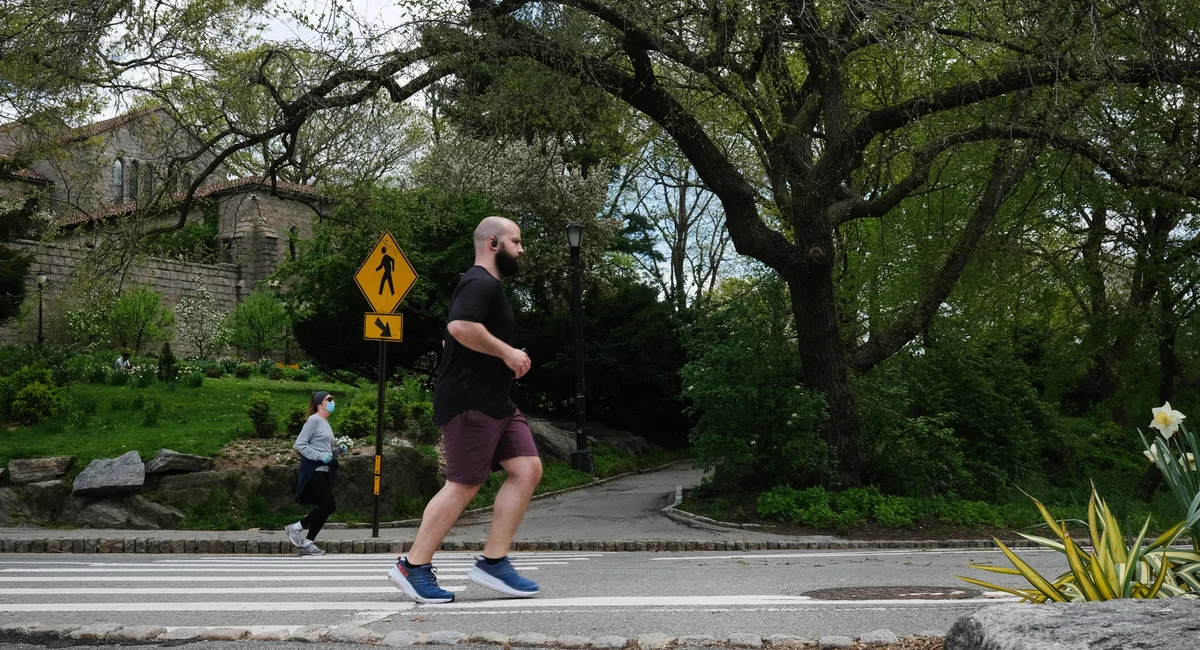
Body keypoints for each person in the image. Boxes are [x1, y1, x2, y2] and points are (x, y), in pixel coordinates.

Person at [387, 216, 542, 604]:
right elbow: (459, 327)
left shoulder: (483, 287)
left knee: (527, 469)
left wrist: (493, 355)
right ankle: (413, 566)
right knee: (464, 483)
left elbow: (449, 340)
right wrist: (507, 353)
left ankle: (494, 562)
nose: (521, 249)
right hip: (471, 401)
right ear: (493, 243)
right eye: (516, 241)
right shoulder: (479, 282)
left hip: (496, 402)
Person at [286, 390, 345, 557]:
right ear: (320, 404)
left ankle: (308, 543)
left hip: (324, 470)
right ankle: (296, 527)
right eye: (329, 399)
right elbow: (300, 444)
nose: (333, 401)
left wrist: (337, 451)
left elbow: (324, 450)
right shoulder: (314, 420)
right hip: (313, 470)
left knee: (324, 507)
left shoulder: (325, 423)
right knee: (329, 506)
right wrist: (320, 456)